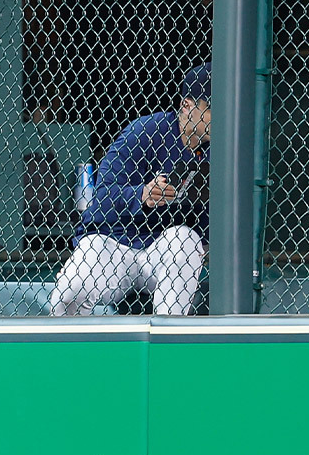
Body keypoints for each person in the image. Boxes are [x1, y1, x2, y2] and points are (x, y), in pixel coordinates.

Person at [49, 63, 212, 316]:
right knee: (67, 294)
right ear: (187, 106)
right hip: (116, 243)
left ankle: (167, 342)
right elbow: (101, 198)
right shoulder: (145, 131)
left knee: (186, 240)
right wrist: (141, 195)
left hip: (163, 251)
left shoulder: (221, 150)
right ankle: (69, 353)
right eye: (212, 107)